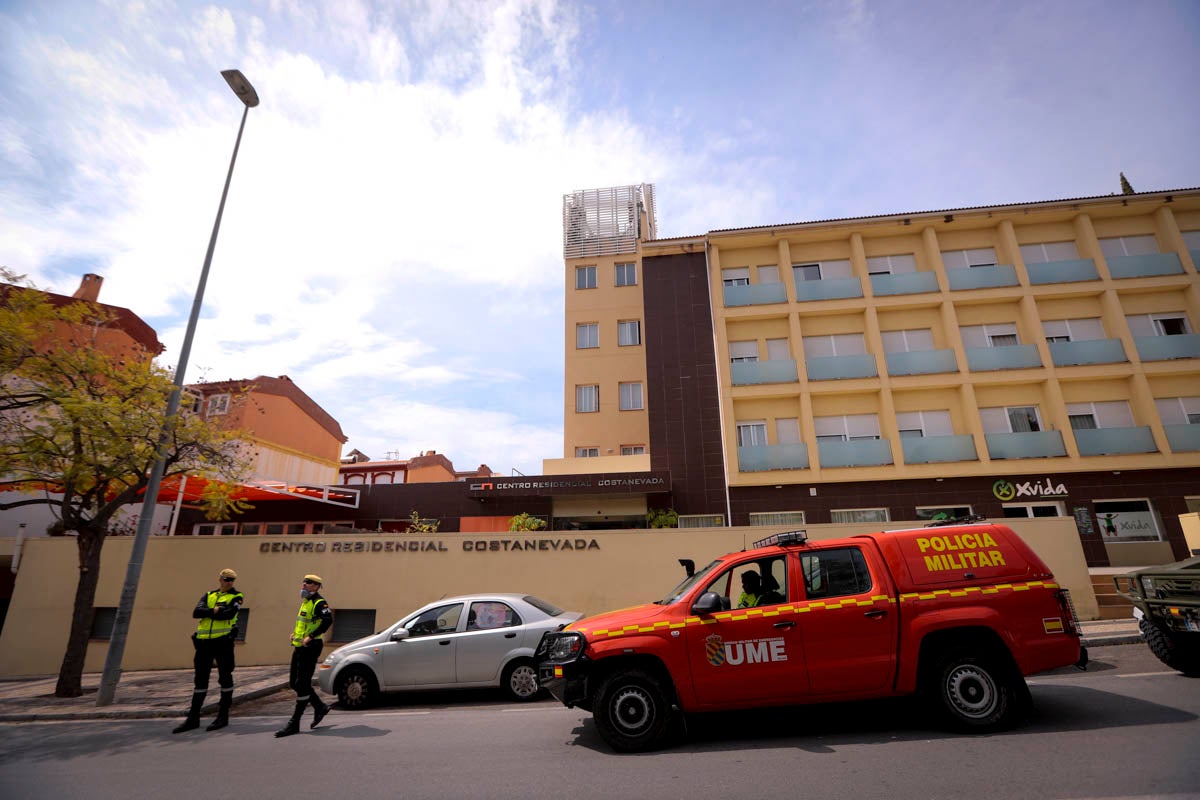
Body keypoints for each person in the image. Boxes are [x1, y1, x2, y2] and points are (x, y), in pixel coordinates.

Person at [172, 567, 244, 733]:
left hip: (223, 642)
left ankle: (223, 716)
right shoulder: (209, 594)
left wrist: (210, 612)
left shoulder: (236, 596)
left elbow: (228, 614)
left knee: (225, 678)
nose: (229, 582)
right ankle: (193, 718)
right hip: (203, 643)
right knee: (200, 680)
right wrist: (215, 611)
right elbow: (196, 612)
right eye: (226, 579)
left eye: (231, 580)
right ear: (220, 579)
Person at [276, 573, 334, 737]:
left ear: (316, 587)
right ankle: (319, 707)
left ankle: (294, 723)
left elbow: (327, 620)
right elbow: (305, 623)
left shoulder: (319, 602)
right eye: (304, 582)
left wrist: (311, 636)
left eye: (308, 583)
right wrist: (295, 634)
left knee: (302, 684)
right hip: (300, 647)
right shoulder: (306, 603)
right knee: (295, 683)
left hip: (311, 647)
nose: (304, 585)